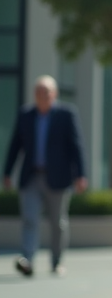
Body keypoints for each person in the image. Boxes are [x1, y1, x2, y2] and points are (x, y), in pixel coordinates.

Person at [3, 76, 87, 277]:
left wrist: (81, 175)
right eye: (40, 92)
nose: (43, 96)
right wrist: (7, 172)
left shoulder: (66, 114)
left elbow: (77, 146)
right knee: (30, 219)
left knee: (57, 223)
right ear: (35, 95)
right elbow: (15, 145)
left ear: (54, 94)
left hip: (58, 178)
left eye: (47, 92)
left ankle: (57, 261)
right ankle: (28, 260)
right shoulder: (26, 115)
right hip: (31, 176)